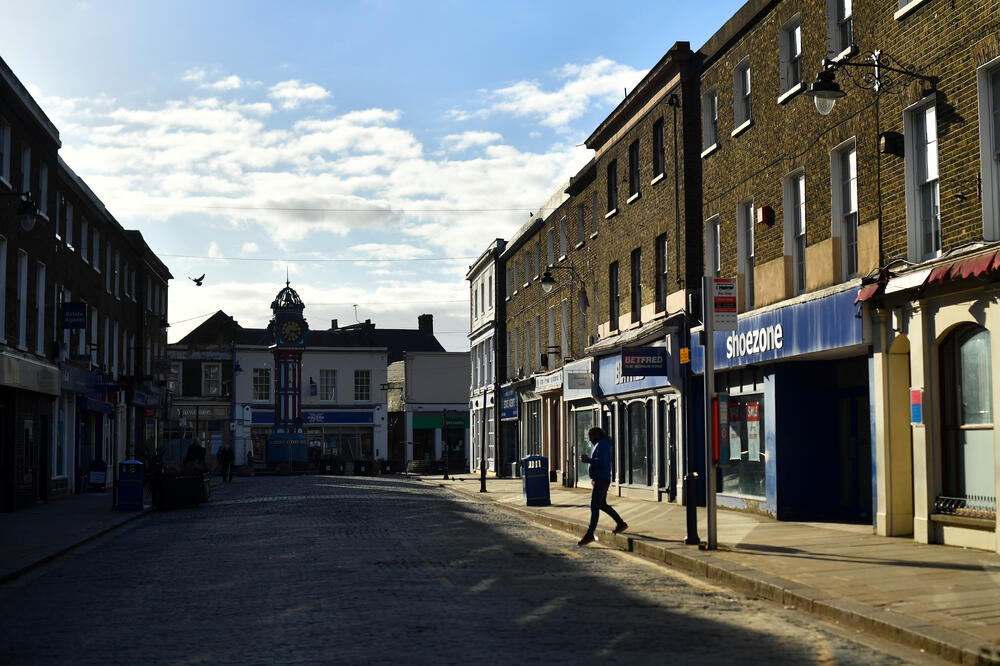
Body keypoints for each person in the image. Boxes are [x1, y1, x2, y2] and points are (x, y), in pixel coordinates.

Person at [578, 426, 628, 546]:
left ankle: (590, 533)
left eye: (591, 436)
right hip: (600, 478)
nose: (590, 439)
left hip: (601, 479)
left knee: (594, 507)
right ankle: (620, 523)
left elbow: (602, 461)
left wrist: (588, 460)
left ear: (596, 435)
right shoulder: (601, 443)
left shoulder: (602, 444)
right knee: (602, 505)